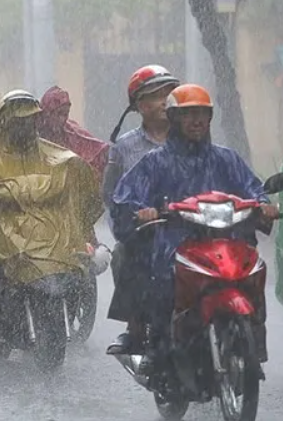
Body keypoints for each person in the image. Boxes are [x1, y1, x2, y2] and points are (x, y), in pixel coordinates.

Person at [111, 84, 279, 371]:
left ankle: (253, 336)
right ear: (174, 119)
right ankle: (160, 351)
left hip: (226, 240)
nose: (197, 120)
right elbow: (124, 197)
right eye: (189, 114)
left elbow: (252, 188)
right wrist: (141, 212)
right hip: (174, 242)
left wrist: (264, 204)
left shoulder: (226, 158)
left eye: (203, 114)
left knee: (254, 271)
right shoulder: (155, 161)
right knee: (162, 282)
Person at [0, 89, 104, 319]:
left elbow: (69, 164)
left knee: (72, 249)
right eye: (18, 122)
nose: (23, 128)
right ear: (6, 122)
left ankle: (68, 297)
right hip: (1, 221)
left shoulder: (48, 152)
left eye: (28, 121)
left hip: (40, 221)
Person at [103, 65, 181, 355]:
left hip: (190, 224)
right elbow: (111, 194)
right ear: (139, 105)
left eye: (169, 94)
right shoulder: (124, 147)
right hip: (147, 230)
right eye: (156, 95)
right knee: (124, 255)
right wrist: (134, 216)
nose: (164, 101)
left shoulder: (191, 137)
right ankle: (135, 327)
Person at [38, 86, 109, 179]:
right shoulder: (34, 133)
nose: (62, 119)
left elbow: (96, 148)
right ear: (47, 112)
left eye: (65, 114)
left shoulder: (71, 132)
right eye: (58, 113)